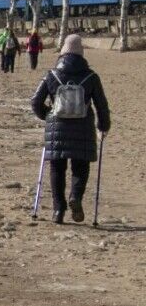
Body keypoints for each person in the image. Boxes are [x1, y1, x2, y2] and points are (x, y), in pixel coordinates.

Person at [30, 34, 110, 224]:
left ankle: (58, 210)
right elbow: (101, 105)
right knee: (80, 167)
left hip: (57, 127)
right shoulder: (91, 76)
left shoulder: (52, 75)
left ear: (63, 52)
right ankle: (76, 197)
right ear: (81, 53)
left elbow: (35, 102)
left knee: (57, 168)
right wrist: (103, 126)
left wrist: (47, 115)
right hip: (83, 127)